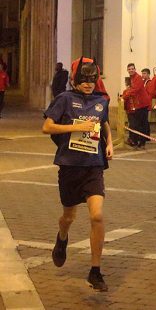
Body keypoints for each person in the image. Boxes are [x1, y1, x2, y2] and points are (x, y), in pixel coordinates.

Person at [42, 57, 113, 292]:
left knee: (97, 216)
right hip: (70, 167)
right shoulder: (64, 99)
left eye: (92, 80)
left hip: (93, 167)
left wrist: (110, 144)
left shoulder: (100, 101)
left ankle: (95, 271)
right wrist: (76, 127)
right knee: (69, 217)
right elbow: (47, 127)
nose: (88, 84)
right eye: (84, 79)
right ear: (76, 79)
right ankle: (62, 237)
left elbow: (104, 124)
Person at [122, 63, 149, 148]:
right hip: (136, 105)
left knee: (141, 125)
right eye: (129, 69)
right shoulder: (131, 78)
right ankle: (135, 141)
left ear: (135, 69)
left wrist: (124, 96)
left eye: (132, 69)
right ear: (127, 70)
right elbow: (129, 89)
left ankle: (142, 142)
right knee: (135, 124)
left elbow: (134, 90)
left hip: (142, 104)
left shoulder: (138, 78)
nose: (131, 70)